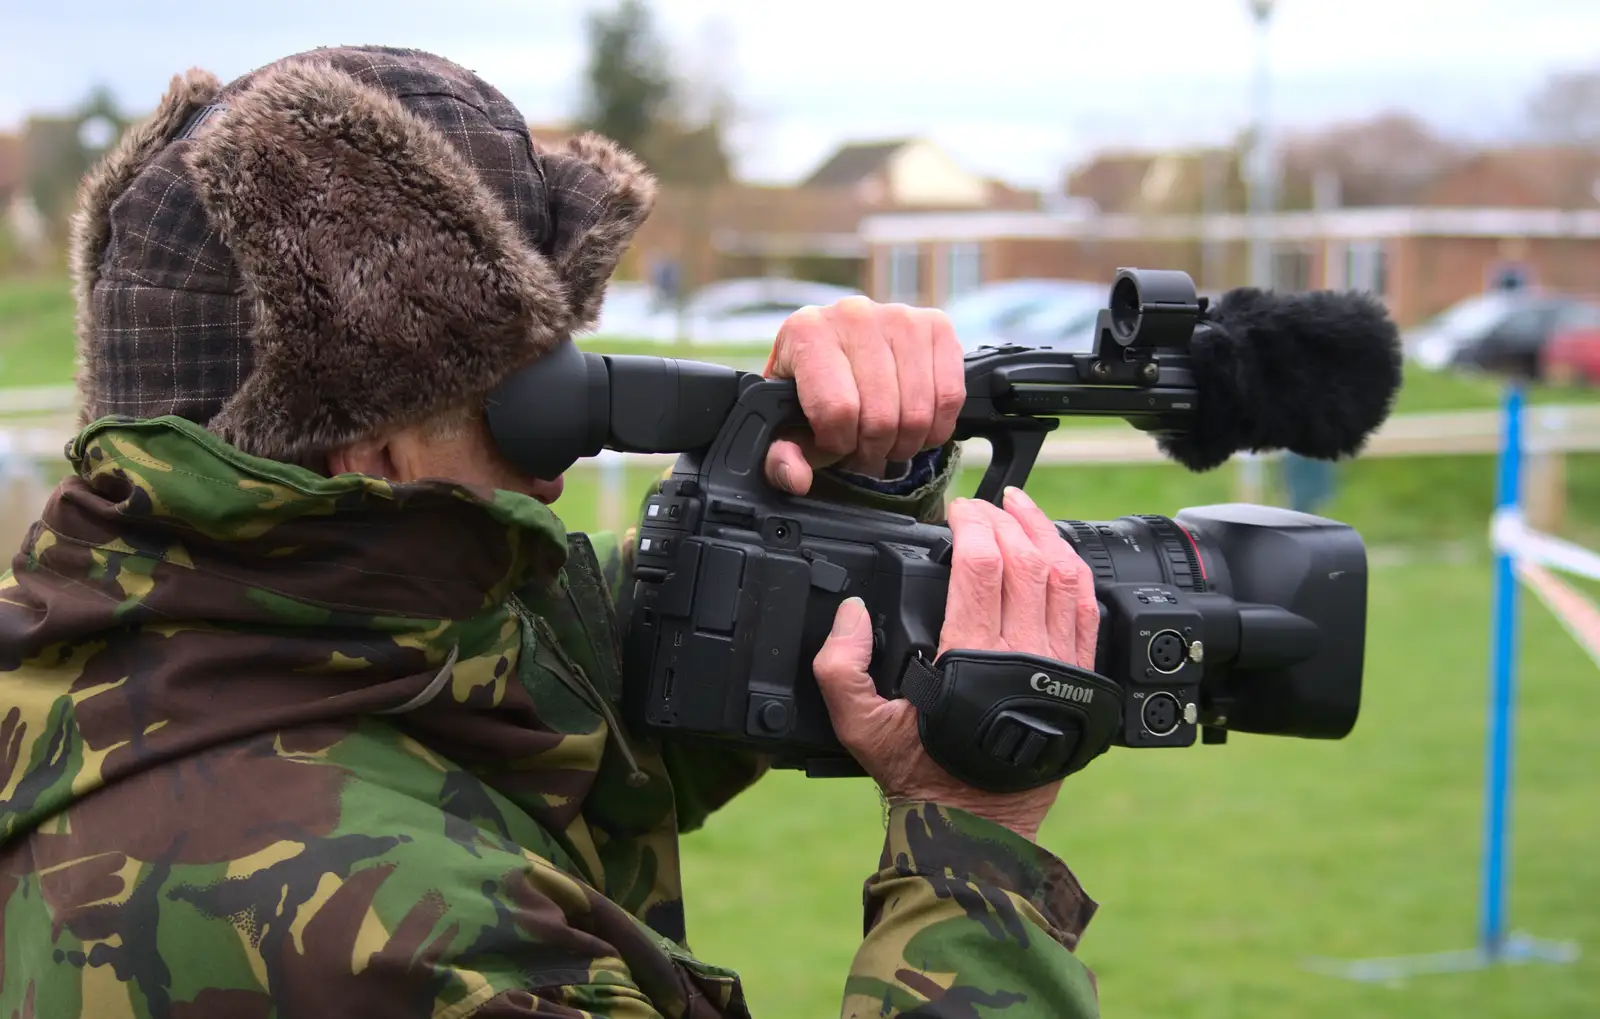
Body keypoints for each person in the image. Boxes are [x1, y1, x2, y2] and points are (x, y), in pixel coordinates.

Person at [0, 47, 1104, 1018]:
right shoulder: (433, 945)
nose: (558, 462)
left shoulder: (113, 655)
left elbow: (549, 712)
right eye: (517, 392)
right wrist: (974, 852)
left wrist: (855, 482)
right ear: (373, 447)